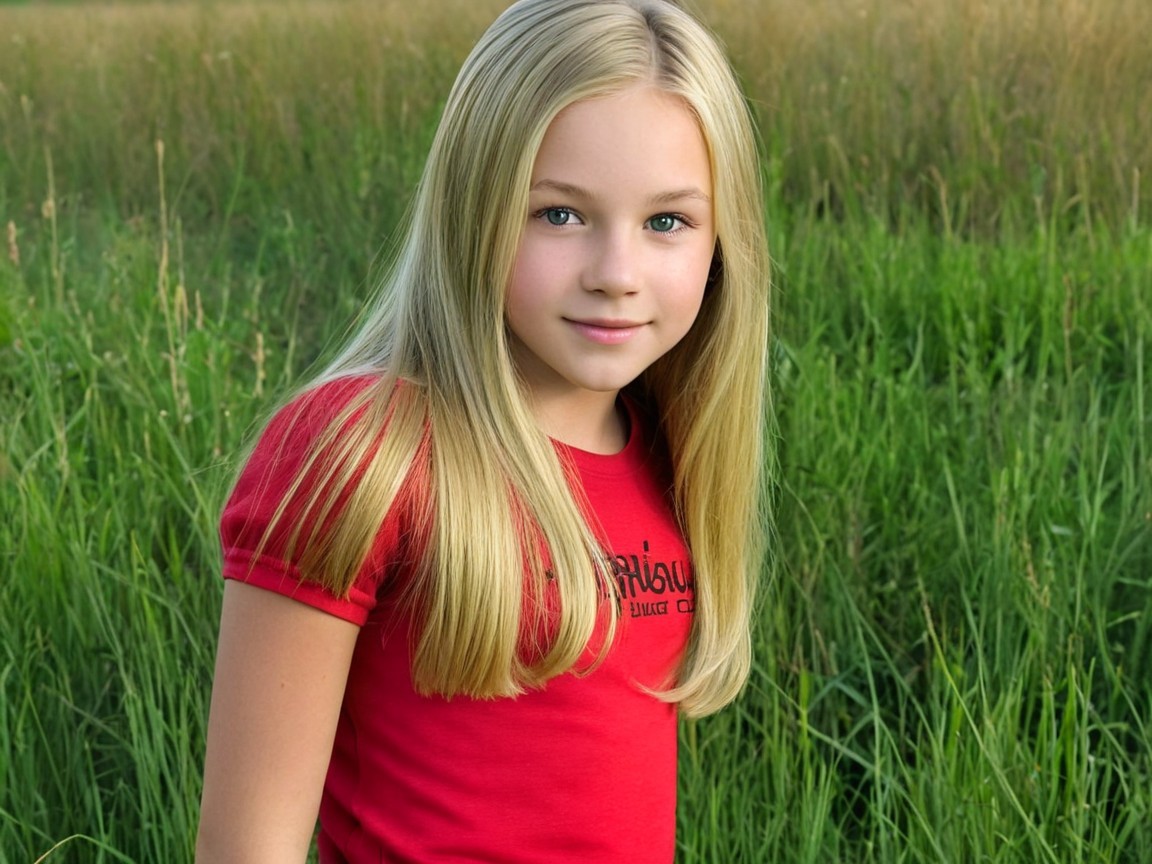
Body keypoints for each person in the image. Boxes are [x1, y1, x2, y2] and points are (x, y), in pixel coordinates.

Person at [196, 0, 770, 860]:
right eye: (560, 215)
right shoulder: (362, 452)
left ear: (722, 243)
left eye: (666, 222)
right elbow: (247, 848)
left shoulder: (668, 450)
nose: (617, 275)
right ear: (476, 206)